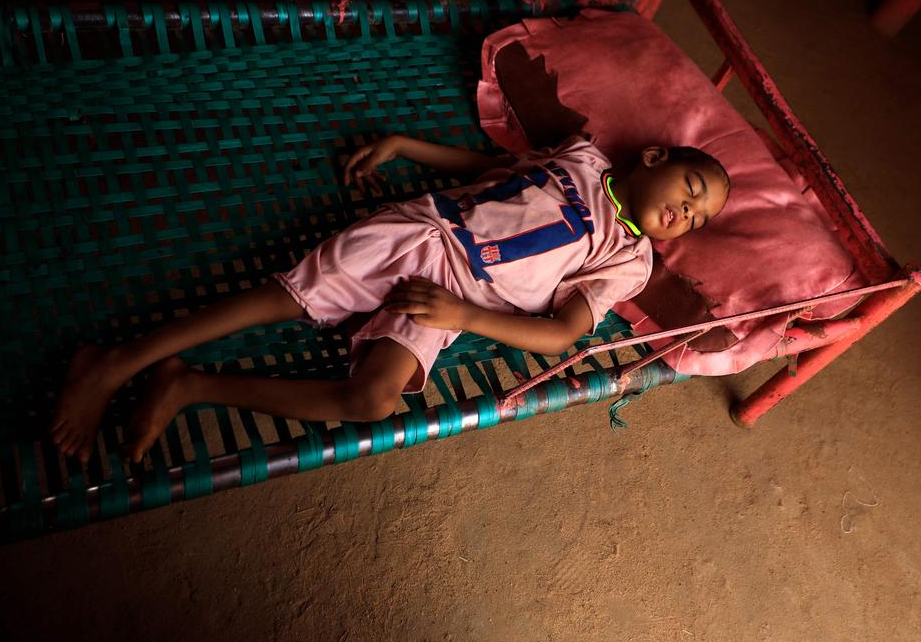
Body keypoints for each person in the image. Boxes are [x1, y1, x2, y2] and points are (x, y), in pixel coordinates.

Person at [50, 133, 729, 465]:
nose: (686, 215)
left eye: (699, 222)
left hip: (454, 297)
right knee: (284, 298)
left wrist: (463, 316)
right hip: (422, 229)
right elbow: (494, 174)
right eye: (691, 191)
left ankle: (192, 385)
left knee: (370, 400)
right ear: (655, 159)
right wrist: (406, 145)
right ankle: (114, 362)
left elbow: (559, 335)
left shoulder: (630, 258)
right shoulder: (583, 157)